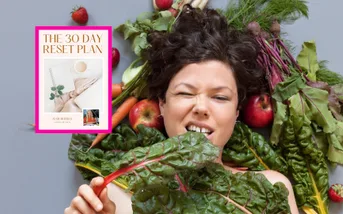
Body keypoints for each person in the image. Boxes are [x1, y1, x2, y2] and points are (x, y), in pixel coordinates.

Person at [65, 4, 299, 214]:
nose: (201, 107)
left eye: (219, 97)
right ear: (162, 105)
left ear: (237, 112)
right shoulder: (115, 198)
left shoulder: (271, 190)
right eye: (186, 93)